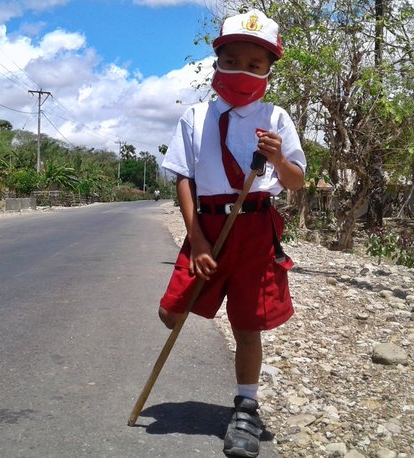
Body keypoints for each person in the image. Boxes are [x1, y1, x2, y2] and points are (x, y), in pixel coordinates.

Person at [158, 8, 307, 458]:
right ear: (217, 60)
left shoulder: (276, 116)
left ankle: (246, 407)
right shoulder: (196, 117)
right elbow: (183, 175)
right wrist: (198, 239)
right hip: (206, 225)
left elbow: (296, 179)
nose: (243, 71)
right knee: (172, 311)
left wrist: (278, 159)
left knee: (247, 325)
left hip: (255, 229)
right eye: (234, 59)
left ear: (268, 71)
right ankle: (184, 300)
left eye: (255, 64)